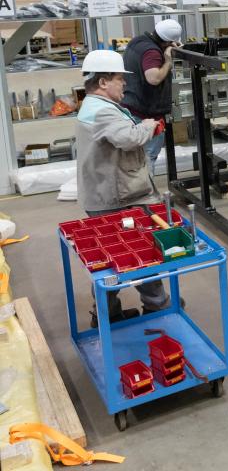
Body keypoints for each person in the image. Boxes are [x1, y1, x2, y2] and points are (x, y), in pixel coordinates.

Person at [76, 49, 169, 323]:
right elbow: (128, 138)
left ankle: (108, 315)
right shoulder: (103, 110)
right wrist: (149, 126)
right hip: (116, 198)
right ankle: (157, 307)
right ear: (103, 81)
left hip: (103, 194)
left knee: (108, 259)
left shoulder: (93, 105)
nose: (125, 83)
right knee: (140, 253)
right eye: (119, 78)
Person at [121, 18, 182, 169]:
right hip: (146, 113)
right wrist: (168, 61)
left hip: (131, 105)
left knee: (135, 158)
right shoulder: (152, 52)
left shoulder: (137, 41)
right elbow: (153, 78)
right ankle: (147, 184)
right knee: (148, 157)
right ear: (168, 42)